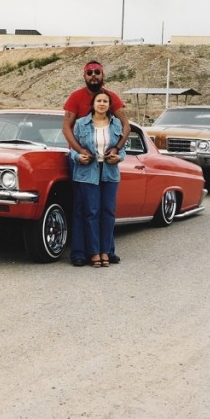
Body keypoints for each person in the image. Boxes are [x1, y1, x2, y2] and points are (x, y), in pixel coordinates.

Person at [62, 60, 130, 267]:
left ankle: (107, 250)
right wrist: (79, 151)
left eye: (97, 72)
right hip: (83, 159)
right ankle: (80, 253)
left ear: (103, 75)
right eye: (89, 72)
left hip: (106, 162)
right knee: (84, 208)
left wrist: (117, 149)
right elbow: (66, 127)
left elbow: (125, 124)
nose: (93, 75)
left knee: (106, 209)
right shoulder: (76, 97)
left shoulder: (112, 97)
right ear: (84, 76)